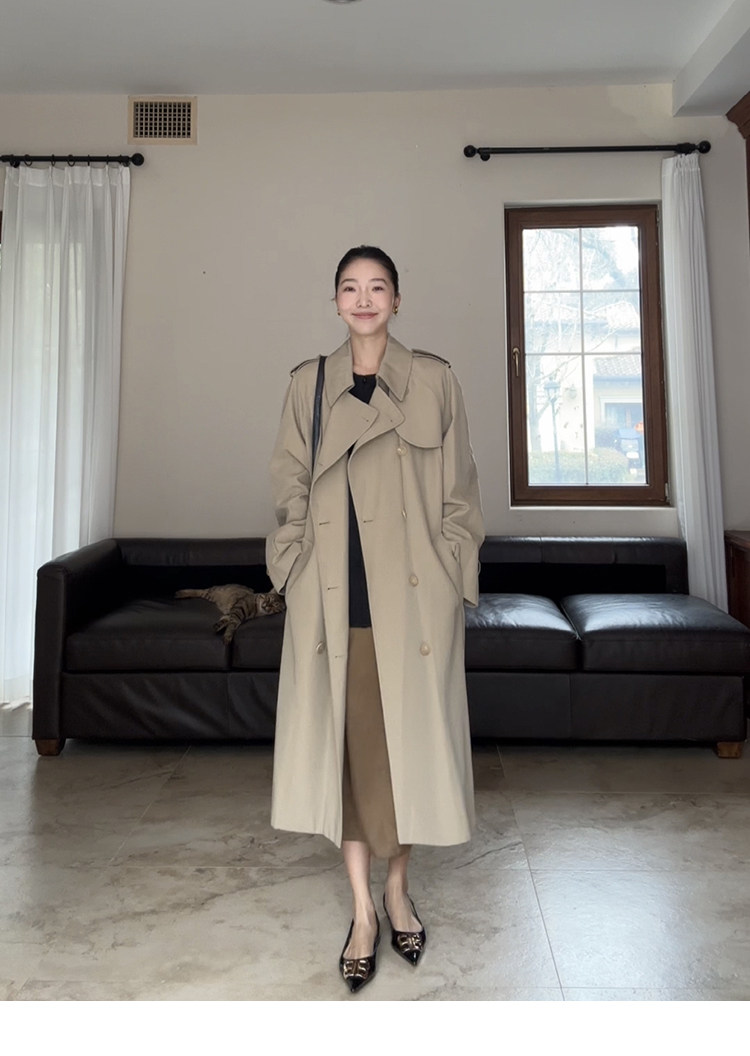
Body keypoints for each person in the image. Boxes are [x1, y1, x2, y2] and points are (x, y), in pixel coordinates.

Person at [266, 246, 484, 993]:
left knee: (405, 759)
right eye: (351, 288)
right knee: (353, 761)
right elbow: (289, 480)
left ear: (397, 299)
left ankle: (398, 891)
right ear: (335, 302)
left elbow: (460, 489)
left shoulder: (434, 380)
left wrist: (453, 570)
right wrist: (292, 560)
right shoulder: (309, 383)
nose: (364, 299)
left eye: (378, 287)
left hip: (412, 600)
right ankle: (363, 910)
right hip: (336, 596)